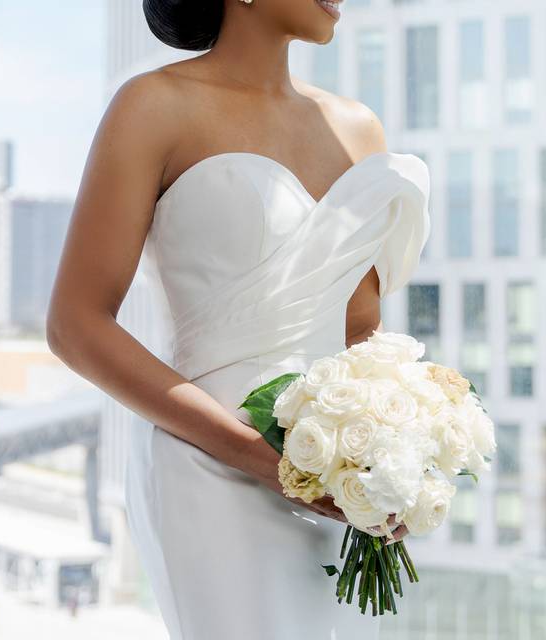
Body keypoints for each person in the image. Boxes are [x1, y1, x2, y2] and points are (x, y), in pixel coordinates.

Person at [46, 1, 430, 637]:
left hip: (334, 483)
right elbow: (76, 326)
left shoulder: (358, 129)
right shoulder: (153, 105)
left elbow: (361, 334)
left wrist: (389, 462)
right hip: (209, 468)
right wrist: (267, 462)